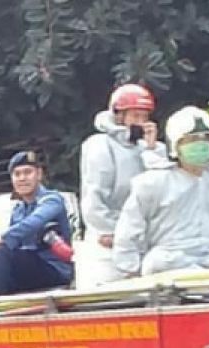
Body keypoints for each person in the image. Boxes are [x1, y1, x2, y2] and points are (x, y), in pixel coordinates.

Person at [112, 106, 209, 278]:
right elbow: (129, 231)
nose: (201, 144)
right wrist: (130, 269)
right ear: (175, 145)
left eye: (207, 138)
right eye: (192, 140)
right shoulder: (151, 182)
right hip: (168, 263)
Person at [0, 151, 74, 311]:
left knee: (2, 251)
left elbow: (32, 224)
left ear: (39, 174)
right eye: (17, 174)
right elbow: (14, 246)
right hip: (25, 270)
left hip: (52, 270)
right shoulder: (18, 210)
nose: (22, 178)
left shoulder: (52, 200)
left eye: (27, 172)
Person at [77, 84, 166, 288]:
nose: (140, 122)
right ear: (119, 116)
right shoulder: (99, 145)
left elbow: (163, 189)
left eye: (145, 117)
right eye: (135, 116)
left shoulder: (153, 149)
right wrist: (109, 232)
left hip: (147, 242)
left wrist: (152, 150)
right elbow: (94, 195)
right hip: (109, 244)